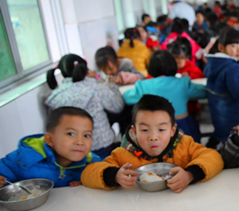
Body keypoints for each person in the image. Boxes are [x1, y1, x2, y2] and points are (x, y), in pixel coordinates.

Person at [82, 95, 222, 192]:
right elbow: (87, 174)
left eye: (161, 130)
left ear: (172, 130)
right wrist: (114, 175)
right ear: (135, 131)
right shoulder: (123, 154)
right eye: (144, 130)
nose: (153, 137)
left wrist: (190, 175)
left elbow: (214, 157)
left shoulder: (184, 145)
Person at [46, 54, 124, 158]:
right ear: (85, 70)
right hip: (102, 147)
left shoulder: (55, 97)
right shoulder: (96, 88)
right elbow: (117, 106)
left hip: (72, 152)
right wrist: (111, 84)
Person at [0, 107, 101, 188]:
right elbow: (4, 173)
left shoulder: (93, 163)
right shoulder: (24, 158)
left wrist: (90, 183)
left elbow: (102, 179)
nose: (80, 142)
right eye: (71, 134)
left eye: (86, 135)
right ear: (50, 139)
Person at [122, 51, 205, 142]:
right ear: (173, 65)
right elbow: (203, 91)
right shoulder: (183, 83)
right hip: (183, 129)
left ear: (151, 67)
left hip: (155, 132)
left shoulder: (143, 86)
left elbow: (127, 98)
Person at [204, 28, 239, 145]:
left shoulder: (213, 64)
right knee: (236, 145)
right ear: (221, 48)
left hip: (220, 118)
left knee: (225, 141)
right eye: (234, 46)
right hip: (235, 118)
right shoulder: (234, 68)